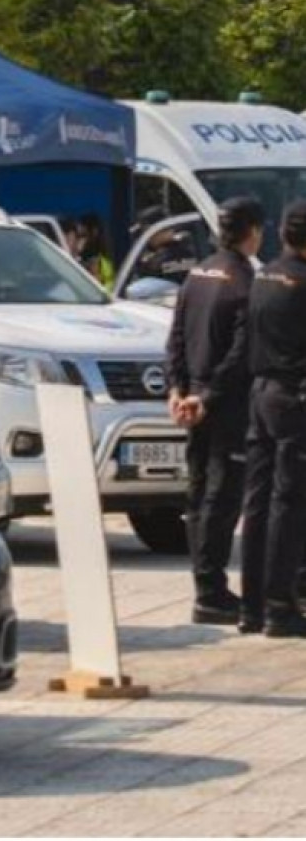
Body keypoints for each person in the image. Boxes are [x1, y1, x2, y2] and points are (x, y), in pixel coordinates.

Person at [166, 196, 264, 625]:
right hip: (222, 407)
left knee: (199, 495)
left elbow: (176, 338)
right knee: (222, 500)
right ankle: (211, 591)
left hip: (194, 401)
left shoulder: (196, 274)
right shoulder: (244, 281)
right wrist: (204, 398)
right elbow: (241, 353)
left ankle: (204, 586)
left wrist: (178, 388)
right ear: (254, 231)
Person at [241, 199, 306, 637]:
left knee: (258, 502)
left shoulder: (262, 274)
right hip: (292, 399)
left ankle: (252, 606)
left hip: (260, 393)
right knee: (289, 504)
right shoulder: (302, 282)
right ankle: (280, 606)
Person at [79, 213, 115, 290]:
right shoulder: (105, 249)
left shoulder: (91, 251)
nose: (81, 240)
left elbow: (95, 276)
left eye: (83, 235)